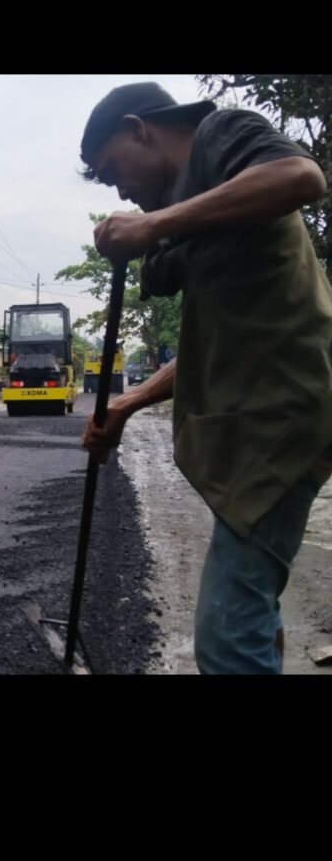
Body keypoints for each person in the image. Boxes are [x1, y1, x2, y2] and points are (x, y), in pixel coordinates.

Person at [78, 81, 332, 674]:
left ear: (140, 128)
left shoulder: (220, 136)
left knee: (226, 634)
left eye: (115, 167)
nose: (120, 189)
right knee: (252, 609)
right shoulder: (195, 213)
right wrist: (127, 403)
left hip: (285, 415)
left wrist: (155, 224)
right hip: (259, 426)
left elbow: (302, 177)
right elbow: (208, 345)